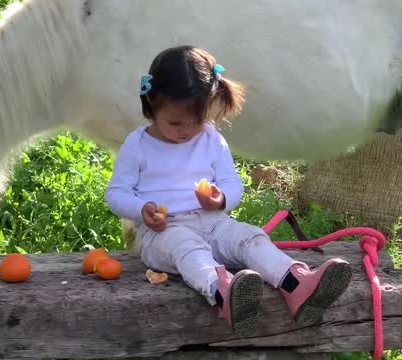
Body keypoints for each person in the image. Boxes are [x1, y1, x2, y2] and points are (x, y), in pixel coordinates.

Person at [104, 45, 353, 337]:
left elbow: (233, 184)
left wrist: (220, 199)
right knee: (185, 243)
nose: (186, 130)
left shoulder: (210, 139)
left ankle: (297, 284)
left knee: (250, 236)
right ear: (152, 106)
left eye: (197, 121)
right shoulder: (139, 145)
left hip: (212, 224)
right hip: (161, 234)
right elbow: (116, 193)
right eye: (174, 122)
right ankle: (223, 293)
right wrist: (141, 209)